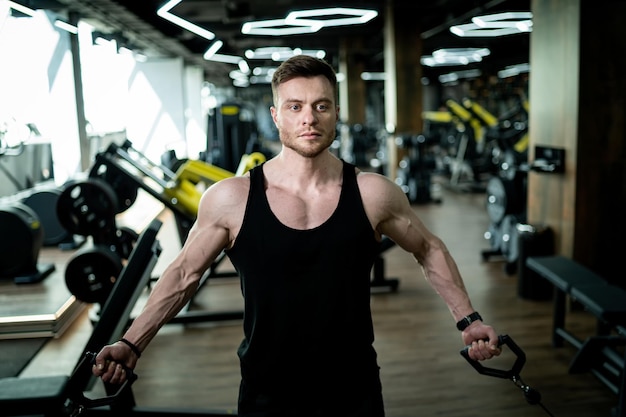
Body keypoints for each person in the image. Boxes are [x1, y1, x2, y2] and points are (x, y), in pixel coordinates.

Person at [92, 55, 501, 416]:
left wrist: (468, 320)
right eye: (295, 106)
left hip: (354, 389)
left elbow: (428, 248)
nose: (309, 117)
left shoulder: (372, 193)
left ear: (335, 112)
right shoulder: (231, 199)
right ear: (276, 115)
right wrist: (131, 343)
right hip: (266, 391)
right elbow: (183, 275)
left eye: (321, 106)